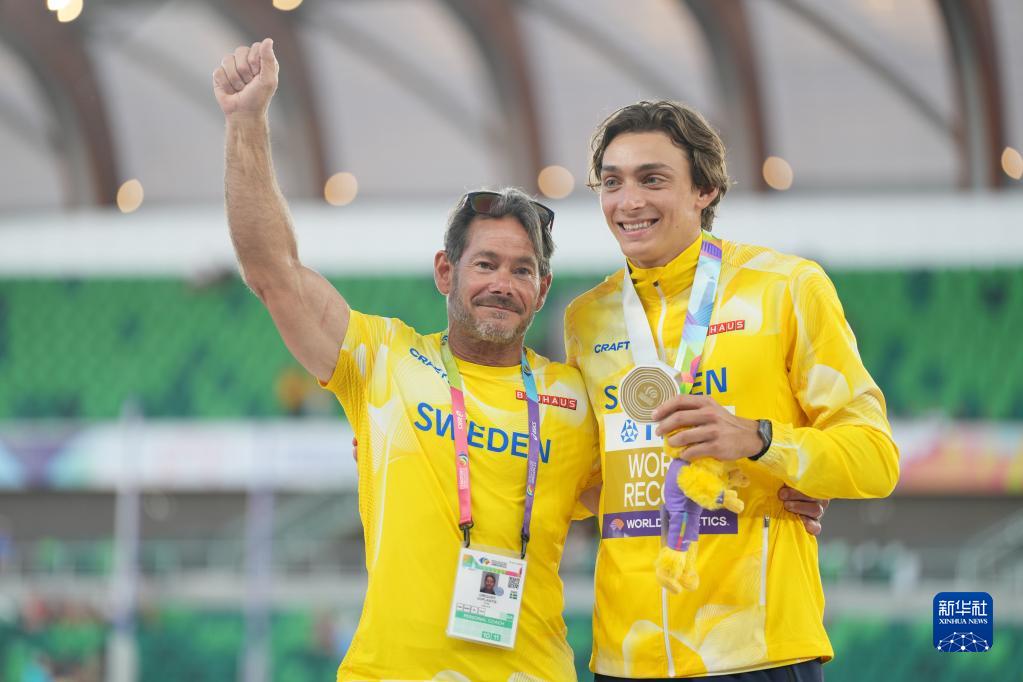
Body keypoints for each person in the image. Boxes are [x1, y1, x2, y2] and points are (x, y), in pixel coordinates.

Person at [214, 38, 604, 681]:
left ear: (541, 290)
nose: (503, 283)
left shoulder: (577, 399)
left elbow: (651, 497)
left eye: (522, 270)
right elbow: (272, 270)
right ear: (446, 272)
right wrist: (246, 120)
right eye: (486, 264)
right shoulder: (382, 360)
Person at [563, 101, 900, 680]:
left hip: (757, 649)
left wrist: (762, 442)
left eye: (652, 179)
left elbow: (876, 458)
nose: (628, 201)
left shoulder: (785, 288)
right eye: (612, 182)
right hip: (627, 653)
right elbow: (586, 480)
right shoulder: (586, 319)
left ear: (706, 189)